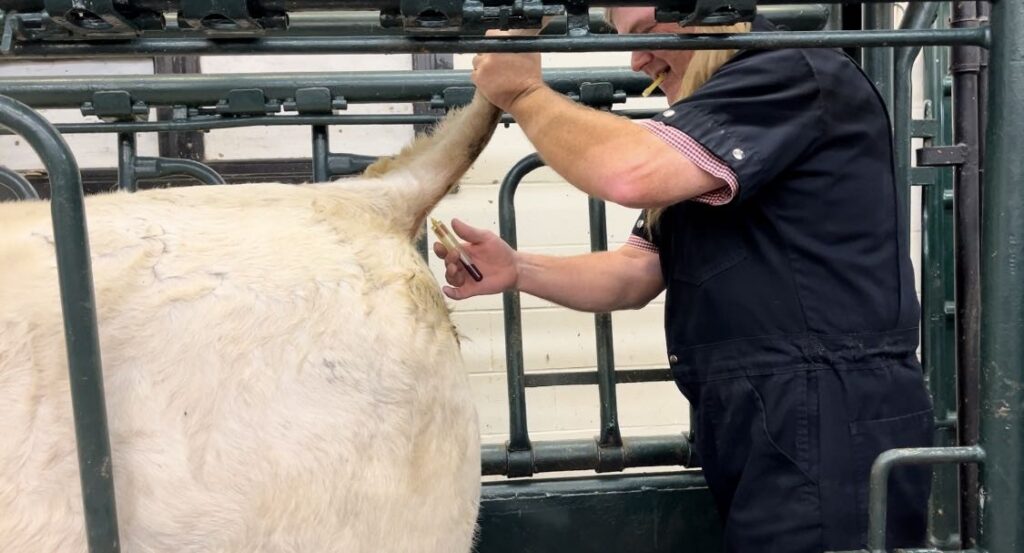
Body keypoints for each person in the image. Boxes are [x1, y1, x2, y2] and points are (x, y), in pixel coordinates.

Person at [435, 8, 934, 553]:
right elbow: (634, 273)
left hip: (829, 405)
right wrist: (518, 268)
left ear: (716, 14)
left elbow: (628, 172)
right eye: (627, 42)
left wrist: (525, 94)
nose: (637, 59)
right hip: (776, 411)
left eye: (650, 34)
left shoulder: (788, 70)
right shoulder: (709, 126)